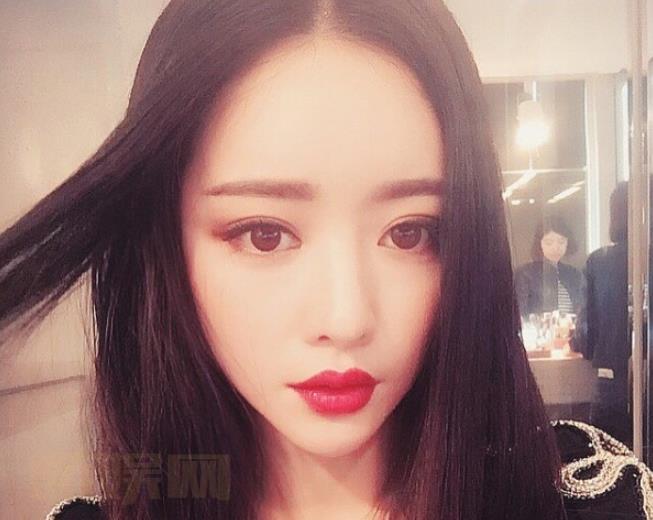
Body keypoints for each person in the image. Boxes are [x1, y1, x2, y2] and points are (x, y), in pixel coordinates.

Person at [0, 1, 650, 519]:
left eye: (409, 233)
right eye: (264, 235)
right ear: (166, 250)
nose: (345, 319)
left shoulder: (597, 502)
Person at [574, 182, 631, 446]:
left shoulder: (599, 261)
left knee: (611, 452)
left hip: (612, 377)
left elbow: (586, 331)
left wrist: (583, 347)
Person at [514, 217, 584, 318]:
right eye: (549, 243)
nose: (556, 248)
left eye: (561, 242)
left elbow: (581, 311)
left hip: (570, 327)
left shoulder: (575, 274)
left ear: (568, 243)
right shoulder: (525, 274)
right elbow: (521, 313)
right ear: (539, 244)